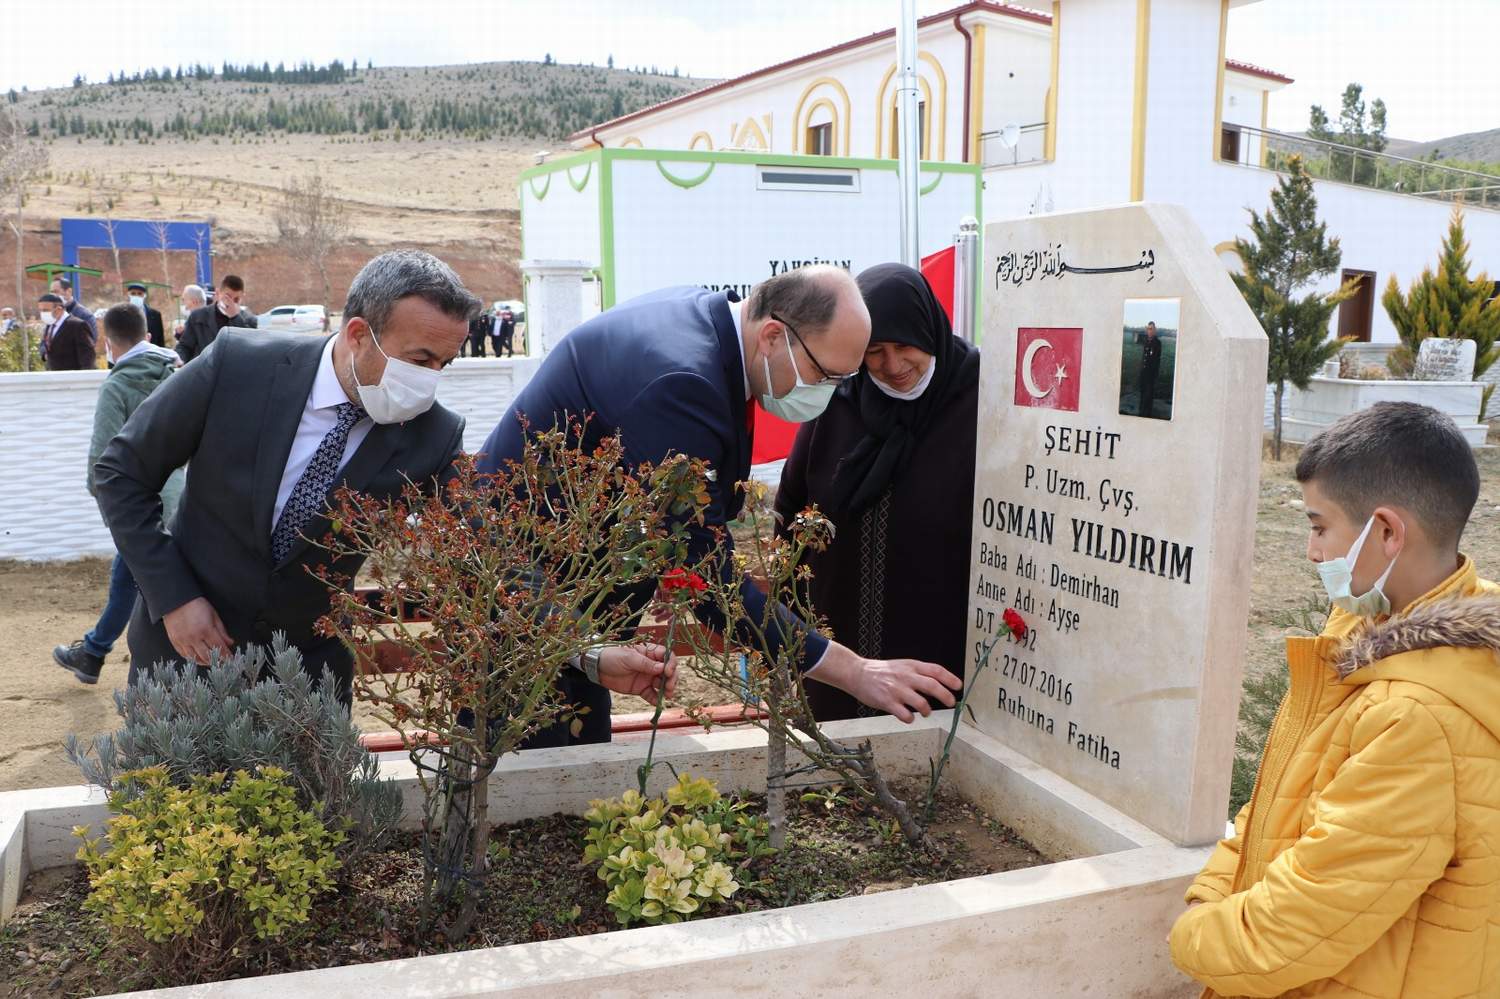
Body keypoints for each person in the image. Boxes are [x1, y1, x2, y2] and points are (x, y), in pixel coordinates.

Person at [95, 250, 674, 706]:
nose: (430, 381)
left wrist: (589, 652)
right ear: (356, 335)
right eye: (419, 360)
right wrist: (175, 598)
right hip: (185, 654)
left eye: (444, 365)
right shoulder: (238, 367)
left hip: (307, 681)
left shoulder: (431, 436)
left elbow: (490, 552)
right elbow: (121, 473)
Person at [477, 266, 963, 748]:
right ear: (773, 335)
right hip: (525, 610)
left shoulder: (709, 327)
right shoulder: (684, 382)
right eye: (824, 374)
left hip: (571, 614)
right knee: (532, 779)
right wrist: (852, 670)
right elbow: (711, 580)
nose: (829, 392)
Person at [1170, 402, 1500, 998]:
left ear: (1388, 531)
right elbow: (1284, 789)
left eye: (1320, 526)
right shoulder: (1366, 625)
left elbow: (1295, 929)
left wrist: (1193, 935)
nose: (1311, 550)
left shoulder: (1416, 718)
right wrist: (1220, 885)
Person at [774, 263, 980, 721]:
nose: (892, 366)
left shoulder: (978, 400)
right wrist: (791, 630)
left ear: (929, 331)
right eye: (874, 351)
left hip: (937, 646)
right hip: (838, 647)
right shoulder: (837, 400)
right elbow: (790, 510)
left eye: (906, 345)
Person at [53, 304, 186, 684]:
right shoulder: (178, 372)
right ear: (147, 335)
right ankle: (92, 653)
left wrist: (105, 502)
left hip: (139, 500)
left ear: (108, 344)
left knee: (136, 581)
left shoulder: (116, 385)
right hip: (182, 492)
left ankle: (97, 655)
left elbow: (102, 455)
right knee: (134, 577)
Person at [176, 274, 256, 363]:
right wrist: (180, 360)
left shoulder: (248, 320)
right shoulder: (198, 316)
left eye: (236, 299)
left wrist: (235, 318)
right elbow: (185, 346)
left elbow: (250, 347)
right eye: (227, 297)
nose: (231, 303)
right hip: (203, 371)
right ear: (218, 293)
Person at [38, 293, 96, 371]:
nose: (43, 313)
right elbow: (46, 345)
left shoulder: (77, 325)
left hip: (72, 378)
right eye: (40, 310)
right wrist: (44, 354)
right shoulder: (50, 324)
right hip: (54, 378)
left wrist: (84, 378)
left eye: (45, 310)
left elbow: (87, 357)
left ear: (59, 309)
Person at [51, 276, 98, 343]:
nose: (53, 296)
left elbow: (90, 343)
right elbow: (44, 344)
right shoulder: (52, 316)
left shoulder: (85, 316)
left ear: (69, 291)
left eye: (56, 292)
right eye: (51, 292)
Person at [126, 282, 166, 347]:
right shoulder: (121, 313)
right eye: (133, 293)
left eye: (139, 293)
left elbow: (160, 339)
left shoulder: (155, 315)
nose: (136, 296)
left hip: (151, 352)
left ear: (144, 295)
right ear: (128, 294)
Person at [1136, 320, 1162, 418]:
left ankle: (1147, 415)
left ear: (1154, 330)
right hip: (1143, 373)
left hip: (1150, 375)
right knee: (1142, 394)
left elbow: (1156, 361)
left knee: (1149, 396)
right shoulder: (1146, 341)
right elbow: (1144, 358)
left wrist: (1155, 375)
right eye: (1148, 329)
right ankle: (1141, 412)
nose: (1149, 331)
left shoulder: (1157, 343)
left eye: (1151, 329)